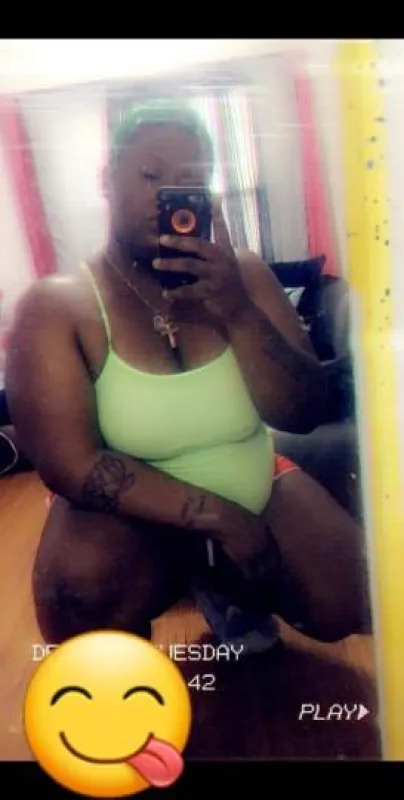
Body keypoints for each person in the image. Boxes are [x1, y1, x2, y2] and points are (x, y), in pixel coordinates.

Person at [5, 101, 370, 650]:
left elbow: (302, 410)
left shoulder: (244, 276)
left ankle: (226, 588)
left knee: (351, 594)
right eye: (150, 175)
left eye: (189, 182)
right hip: (132, 512)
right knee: (78, 595)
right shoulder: (59, 305)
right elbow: (68, 465)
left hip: (251, 476)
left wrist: (237, 310)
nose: (165, 199)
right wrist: (216, 516)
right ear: (107, 179)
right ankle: (186, 580)